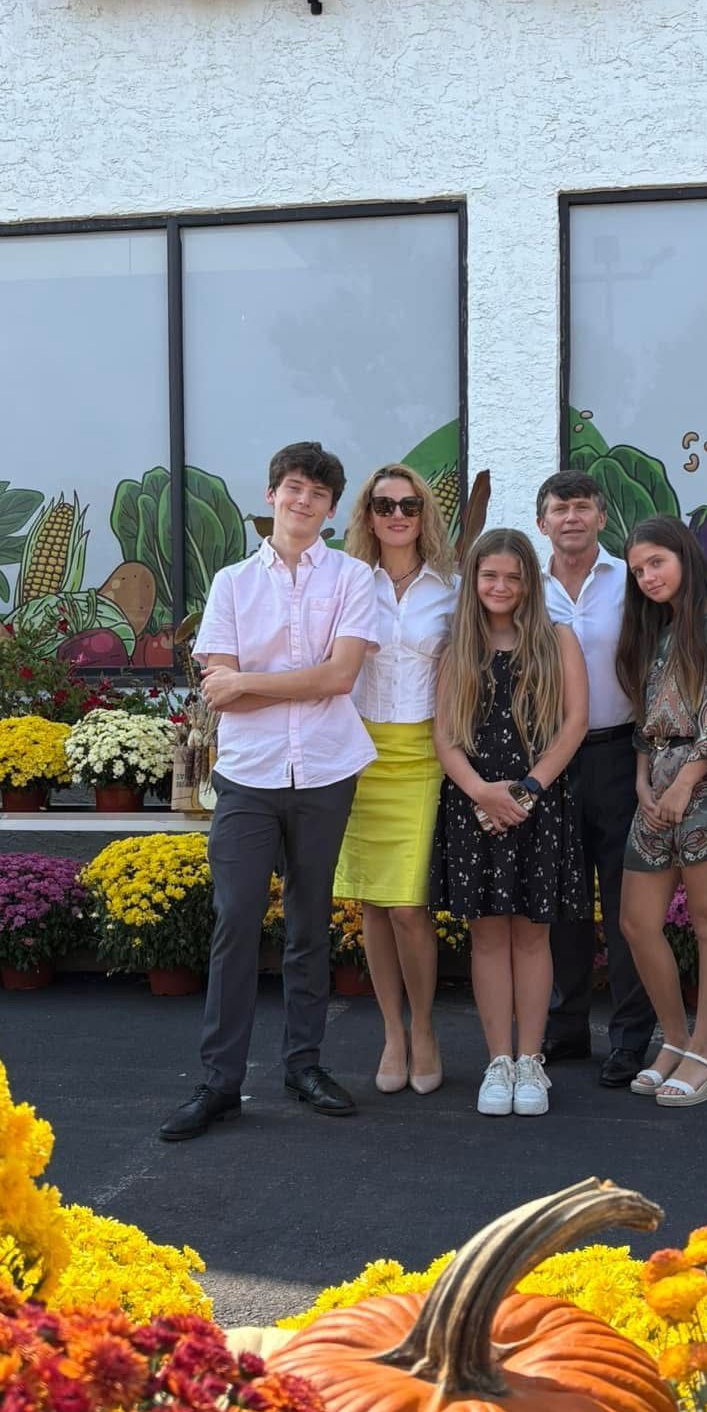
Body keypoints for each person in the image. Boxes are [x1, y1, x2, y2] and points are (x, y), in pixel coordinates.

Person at [160, 440, 378, 1140]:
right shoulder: (231, 583)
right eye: (292, 486)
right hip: (249, 777)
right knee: (234, 923)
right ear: (271, 495)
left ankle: (304, 1066)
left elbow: (338, 678)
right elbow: (219, 694)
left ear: (332, 509)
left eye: (317, 492)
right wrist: (265, 685)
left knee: (310, 926)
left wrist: (250, 681)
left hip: (325, 770)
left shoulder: (351, 577)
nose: (303, 499)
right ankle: (220, 1082)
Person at [430, 527, 589, 1117]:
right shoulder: (457, 650)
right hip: (474, 806)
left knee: (532, 933)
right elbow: (445, 738)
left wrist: (525, 791)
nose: (501, 586)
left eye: (514, 576)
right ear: (474, 581)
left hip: (538, 802)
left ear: (530, 583)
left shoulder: (556, 640)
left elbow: (574, 724)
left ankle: (531, 1062)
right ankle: (498, 1062)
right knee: (488, 935)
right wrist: (480, 793)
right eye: (490, 575)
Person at [616, 515, 707, 1109]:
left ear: (683, 556)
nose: (648, 577)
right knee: (636, 921)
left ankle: (705, 1051)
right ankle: (674, 1040)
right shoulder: (660, 627)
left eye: (656, 562)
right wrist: (645, 783)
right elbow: (646, 716)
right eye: (638, 570)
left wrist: (685, 782)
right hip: (659, 778)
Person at [334, 463, 458, 1095]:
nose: (398, 515)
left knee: (409, 906)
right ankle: (391, 1031)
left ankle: (426, 1028)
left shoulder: (452, 586)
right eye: (384, 506)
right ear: (368, 515)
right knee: (372, 906)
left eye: (409, 505)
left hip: (424, 753)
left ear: (424, 513)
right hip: (358, 751)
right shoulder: (347, 582)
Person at [536, 468, 657, 1087]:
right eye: (560, 509)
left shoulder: (629, 583)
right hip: (550, 759)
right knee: (563, 904)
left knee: (625, 906)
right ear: (543, 523)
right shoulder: (528, 589)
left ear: (601, 519)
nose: (572, 518)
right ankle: (566, 1029)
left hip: (619, 754)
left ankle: (631, 1039)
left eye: (583, 508)